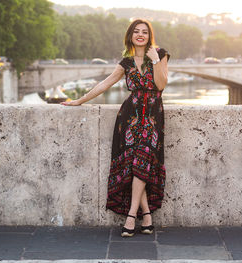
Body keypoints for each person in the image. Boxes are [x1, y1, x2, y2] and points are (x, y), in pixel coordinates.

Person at [61, 18, 170, 237]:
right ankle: (146, 215)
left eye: (145, 32)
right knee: (135, 164)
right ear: (130, 36)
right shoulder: (126, 62)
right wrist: (79, 101)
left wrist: (156, 61)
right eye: (136, 32)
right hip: (129, 118)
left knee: (144, 158)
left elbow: (161, 85)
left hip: (152, 118)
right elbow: (104, 84)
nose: (140, 35)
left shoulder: (160, 54)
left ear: (150, 36)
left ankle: (131, 215)